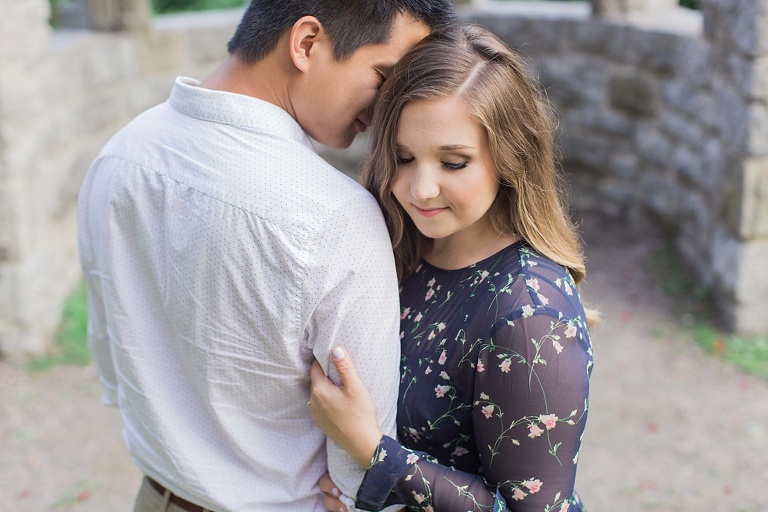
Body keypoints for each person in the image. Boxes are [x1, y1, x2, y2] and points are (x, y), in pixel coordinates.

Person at [76, 1, 456, 511]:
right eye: (383, 76)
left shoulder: (120, 153)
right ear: (306, 44)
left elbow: (112, 360)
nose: (389, 106)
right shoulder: (337, 217)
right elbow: (361, 467)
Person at [309, 25, 596, 512]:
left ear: (510, 157)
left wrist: (373, 454)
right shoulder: (396, 245)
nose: (420, 188)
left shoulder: (529, 316)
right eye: (404, 157)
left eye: (454, 163)